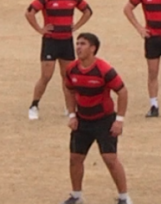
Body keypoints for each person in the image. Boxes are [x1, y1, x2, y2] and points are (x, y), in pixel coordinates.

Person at [60, 33, 131, 204]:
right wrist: (72, 114)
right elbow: (69, 89)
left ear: (93, 48)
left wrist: (119, 120)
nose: (78, 47)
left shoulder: (104, 69)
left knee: (110, 159)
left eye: (83, 44)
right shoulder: (72, 69)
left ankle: (124, 197)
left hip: (104, 120)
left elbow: (122, 91)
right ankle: (76, 196)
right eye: (77, 43)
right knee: (75, 158)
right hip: (82, 120)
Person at [25, 0, 92, 120]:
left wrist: (77, 26)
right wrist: (40, 30)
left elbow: (87, 11)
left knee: (67, 76)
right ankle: (34, 105)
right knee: (46, 75)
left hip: (66, 41)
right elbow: (29, 12)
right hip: (50, 41)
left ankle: (70, 108)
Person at [123, 0, 161, 117]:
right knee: (152, 73)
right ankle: (154, 105)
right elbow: (127, 8)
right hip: (152, 38)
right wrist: (139, 28)